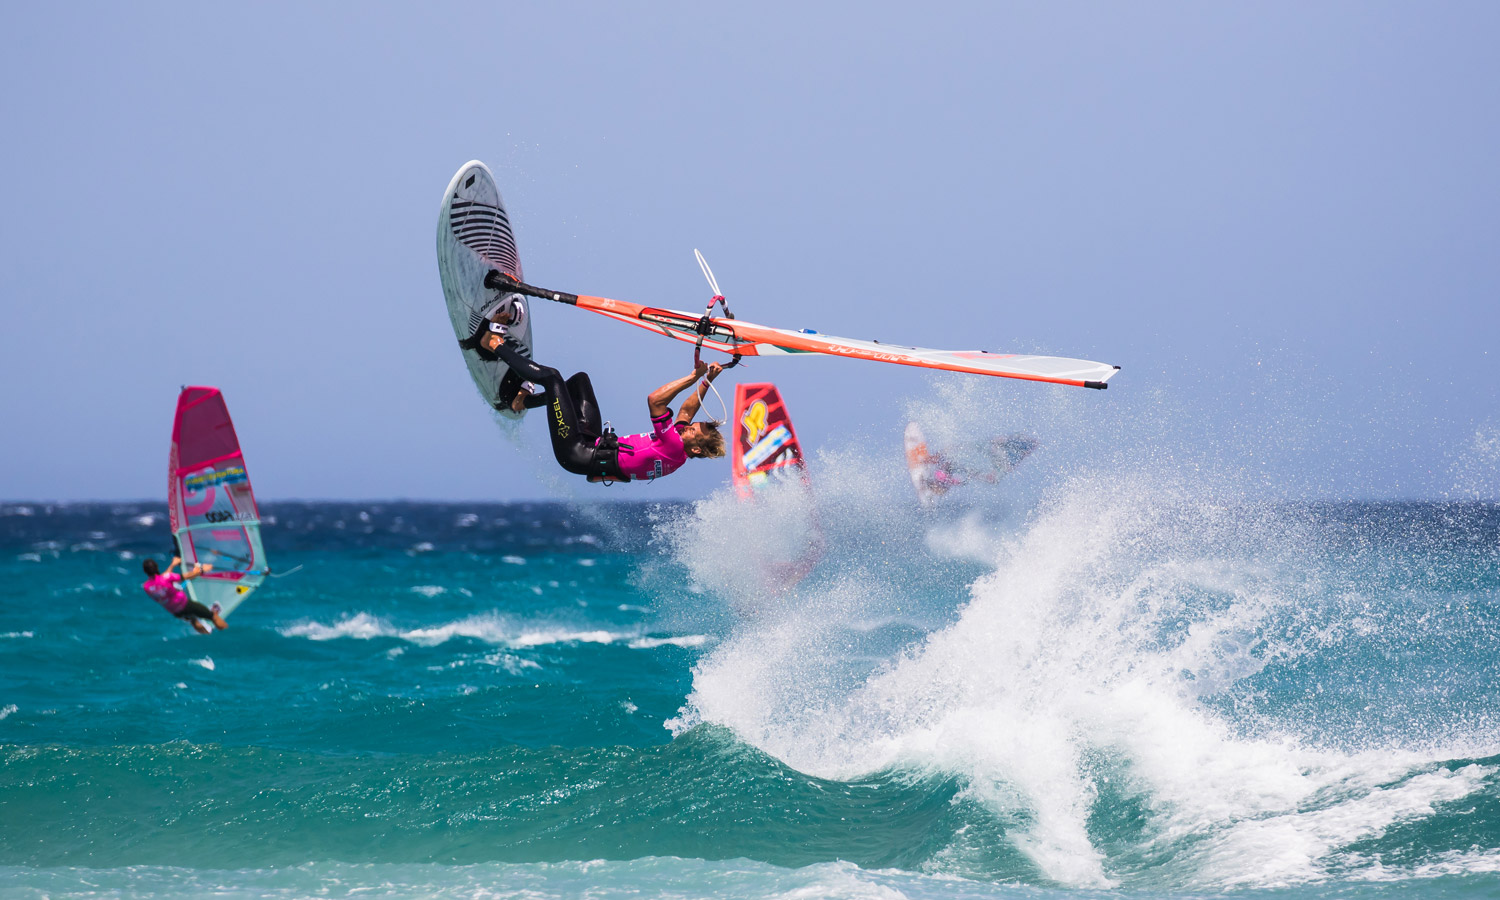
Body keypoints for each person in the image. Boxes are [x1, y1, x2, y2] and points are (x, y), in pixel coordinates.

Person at [460, 307, 726, 482]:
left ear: (694, 448)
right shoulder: (681, 446)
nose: (688, 427)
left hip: (576, 453)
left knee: (552, 378)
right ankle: (522, 401)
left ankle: (493, 343)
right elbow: (686, 411)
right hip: (593, 442)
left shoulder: (674, 446)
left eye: (694, 431)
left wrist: (692, 377)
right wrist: (707, 380)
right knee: (578, 383)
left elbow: (654, 400)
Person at [141, 556, 227, 634]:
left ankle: (207, 636)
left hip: (176, 612)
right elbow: (188, 576)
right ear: (157, 567)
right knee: (213, 616)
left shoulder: (146, 586)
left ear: (145, 571)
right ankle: (226, 633)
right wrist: (202, 569)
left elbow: (163, 578)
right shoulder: (166, 577)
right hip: (186, 605)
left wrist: (173, 564)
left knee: (194, 620)